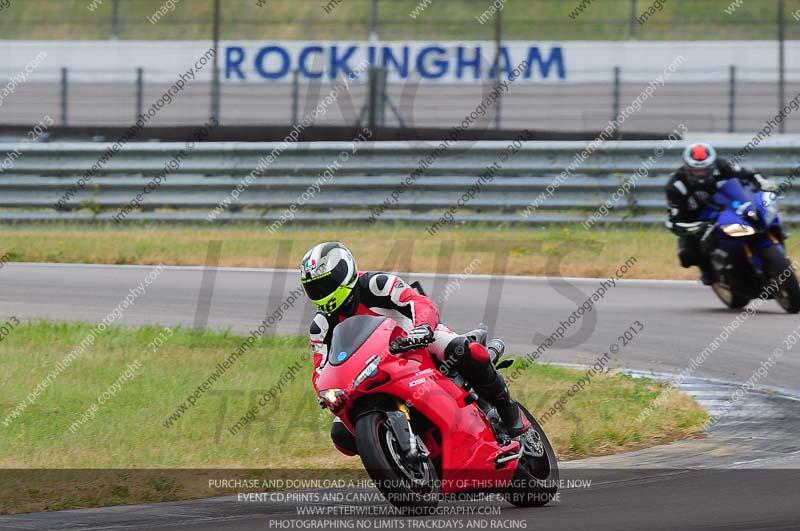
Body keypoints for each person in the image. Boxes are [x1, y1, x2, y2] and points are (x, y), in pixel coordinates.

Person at [300, 242, 528, 456]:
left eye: (326, 284)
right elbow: (320, 370)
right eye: (314, 288)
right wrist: (328, 393)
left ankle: (507, 408)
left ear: (345, 271)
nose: (321, 292)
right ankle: (395, 452)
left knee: (463, 350)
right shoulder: (320, 327)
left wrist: (422, 328)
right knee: (342, 435)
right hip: (370, 369)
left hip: (415, 340)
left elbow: (418, 301)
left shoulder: (376, 283)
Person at [666, 142, 777, 285]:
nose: (701, 174)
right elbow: (674, 222)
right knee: (687, 256)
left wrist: (763, 183)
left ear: (712, 166)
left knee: (758, 215)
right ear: (687, 169)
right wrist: (697, 227)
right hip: (695, 221)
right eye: (696, 171)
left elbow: (747, 173)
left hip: (720, 207)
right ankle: (708, 270)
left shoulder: (721, 165)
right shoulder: (676, 186)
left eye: (706, 170)